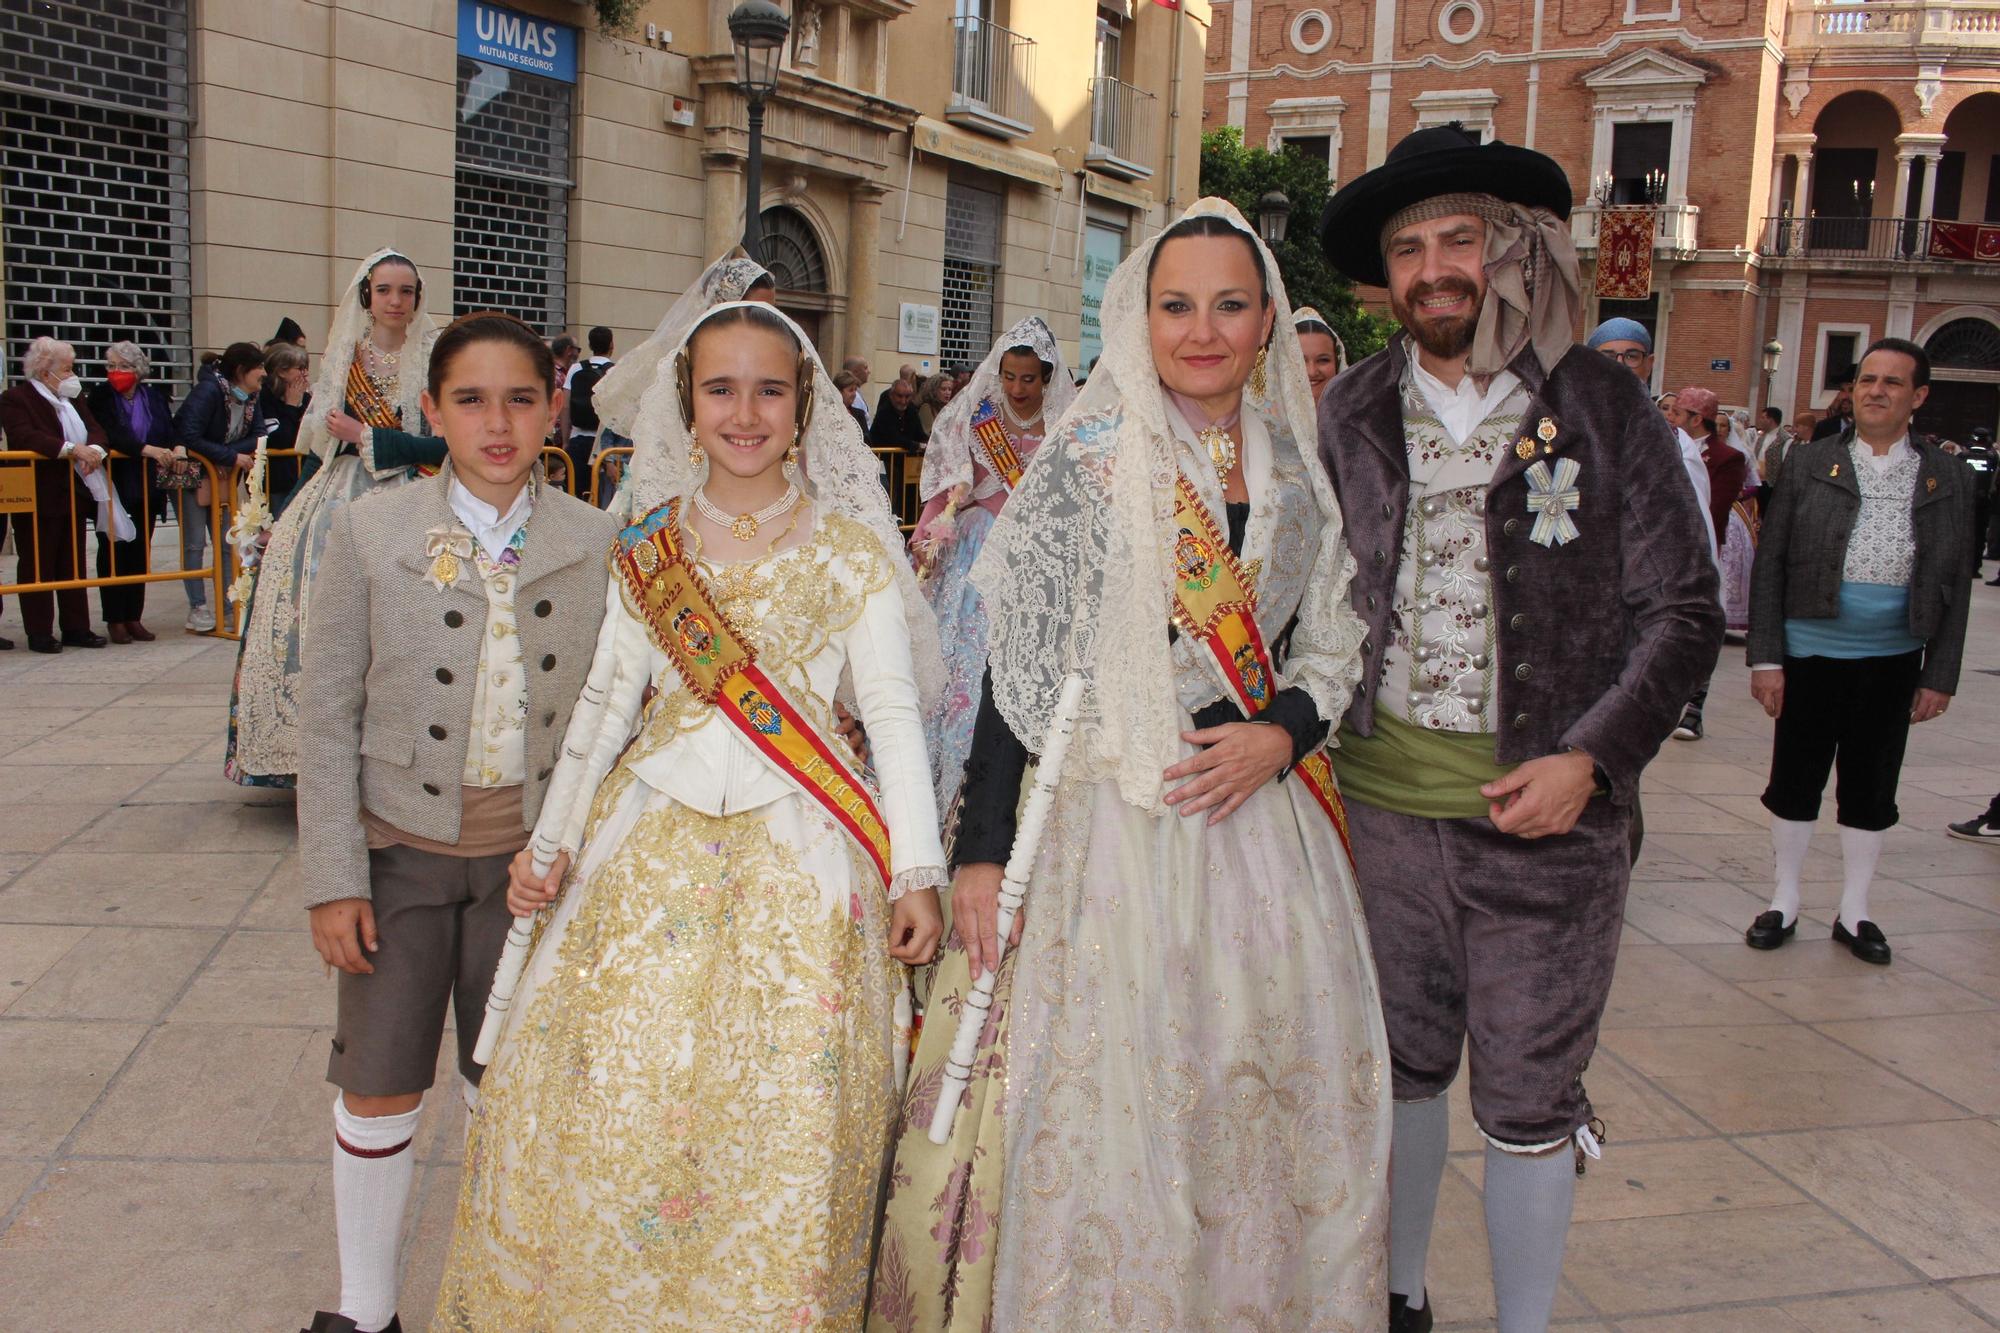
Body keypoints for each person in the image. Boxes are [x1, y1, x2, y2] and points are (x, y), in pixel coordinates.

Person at [874, 200, 1388, 1329]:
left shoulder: (1297, 472)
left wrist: (1283, 730)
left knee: (1251, 1096)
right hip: (1107, 828)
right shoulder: (1086, 465)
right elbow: (1019, 669)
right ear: (1135, 318)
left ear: (1263, 323)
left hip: (1258, 826)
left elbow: (1333, 639)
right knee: (1115, 1099)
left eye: (1227, 305)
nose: (1200, 330)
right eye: (1174, 306)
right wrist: (980, 854)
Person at [435, 301, 945, 1328]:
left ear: (802, 407)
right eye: (720, 388)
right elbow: (601, 704)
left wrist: (918, 868)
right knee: (610, 1108)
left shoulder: (853, 549)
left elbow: (890, 712)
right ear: (687, 403)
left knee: (785, 1125)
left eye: (768, 388)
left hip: (807, 865)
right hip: (646, 845)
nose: (743, 412)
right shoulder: (648, 547)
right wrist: (551, 843)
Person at [1316, 125, 1722, 1333]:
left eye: (1459, 239)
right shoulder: (1344, 411)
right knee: (1401, 1067)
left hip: (1548, 828)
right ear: (1383, 278)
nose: (1433, 267)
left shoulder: (1597, 402)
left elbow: (1683, 610)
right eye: (1406, 248)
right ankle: (1398, 1299)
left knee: (1531, 1096)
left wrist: (1589, 757)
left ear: (1508, 254)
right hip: (1378, 813)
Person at [294, 312, 616, 1333]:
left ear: (552, 408)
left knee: (505, 1089)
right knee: (379, 1084)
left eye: (521, 398)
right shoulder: (371, 530)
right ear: (430, 410)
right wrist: (332, 876)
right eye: (470, 400)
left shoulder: (595, 539)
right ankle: (365, 1309)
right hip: (397, 861)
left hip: (530, 870)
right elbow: (327, 709)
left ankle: (494, 1299)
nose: (496, 422)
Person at [1743, 338, 1976, 966]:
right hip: (1810, 654)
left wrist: (1941, 674)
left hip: (1893, 659)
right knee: (1795, 780)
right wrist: (1766, 658)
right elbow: (1771, 567)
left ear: (1918, 397)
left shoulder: (1949, 478)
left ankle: (1855, 909)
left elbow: (1957, 584)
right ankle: (1784, 899)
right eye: (1867, 378)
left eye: (1892, 382)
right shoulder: (1810, 462)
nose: (1875, 391)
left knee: (1872, 787)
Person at [227, 249, 447, 789]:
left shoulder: (436, 359)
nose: (396, 301)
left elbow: (443, 446)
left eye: (406, 291)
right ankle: (311, 753)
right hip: (337, 499)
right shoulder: (345, 356)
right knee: (316, 616)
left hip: (416, 495)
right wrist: (282, 516)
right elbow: (319, 451)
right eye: (385, 290)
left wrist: (366, 436)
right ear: (366, 297)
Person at [907, 315, 1075, 815]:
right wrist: (929, 534)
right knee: (966, 664)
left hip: (1036, 558)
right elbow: (946, 496)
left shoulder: (1065, 426)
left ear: (1045, 377)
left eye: (1028, 378)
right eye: (1009, 376)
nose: (1017, 388)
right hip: (977, 557)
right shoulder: (975, 419)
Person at [585, 250, 778, 521]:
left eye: (771, 312)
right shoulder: (679, 355)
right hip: (681, 481)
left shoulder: (768, 360)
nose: (767, 322)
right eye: (757, 311)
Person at [0, 336, 111, 653]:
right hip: (38, 492)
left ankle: (77, 627)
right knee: (38, 562)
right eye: (67, 368)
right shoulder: (16, 398)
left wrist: (95, 451)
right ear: (45, 371)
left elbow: (96, 430)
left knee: (72, 562)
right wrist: (70, 450)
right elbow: (25, 435)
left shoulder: (72, 400)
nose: (72, 374)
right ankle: (39, 631)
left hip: (76, 489)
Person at [1662, 387, 1748, 735]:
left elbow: (1713, 508)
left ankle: (1695, 708)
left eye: (1677, 412)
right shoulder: (1656, 440)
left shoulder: (1727, 457)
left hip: (1700, 548)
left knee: (1701, 622)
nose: (1670, 417)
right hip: (1661, 549)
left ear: (1697, 419)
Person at [172, 341, 267, 633]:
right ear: (240, 371)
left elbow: (260, 434)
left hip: (224, 478)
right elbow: (187, 434)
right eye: (258, 369)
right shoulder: (209, 391)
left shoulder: (252, 396)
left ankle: (229, 605)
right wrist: (229, 455)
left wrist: (232, 454)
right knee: (194, 543)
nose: (263, 374)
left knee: (227, 543)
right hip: (195, 478)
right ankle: (197, 607)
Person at [86, 341, 177, 643]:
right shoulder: (101, 396)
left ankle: (133, 616)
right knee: (113, 550)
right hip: (116, 483)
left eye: (122, 366)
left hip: (147, 486)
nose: (115, 372)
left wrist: (175, 447)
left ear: (137, 370)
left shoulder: (153, 397)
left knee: (140, 550)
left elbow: (168, 428)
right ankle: (115, 618)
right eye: (110, 366)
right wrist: (145, 449)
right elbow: (110, 432)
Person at [563, 325, 614, 489]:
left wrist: (565, 441)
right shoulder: (615, 371)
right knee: (598, 496)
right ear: (611, 345)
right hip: (603, 446)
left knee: (575, 491)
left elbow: (565, 406)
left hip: (577, 439)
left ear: (590, 345)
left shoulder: (575, 368)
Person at [1294, 304, 1348, 402]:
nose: (1312, 372)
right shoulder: (1263, 415)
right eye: (1300, 360)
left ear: (1337, 362)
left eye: (1323, 360)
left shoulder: (1356, 414)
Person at [868, 373, 928, 449]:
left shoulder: (912, 410)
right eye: (899, 396)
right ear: (891, 395)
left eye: (907, 397)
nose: (903, 401)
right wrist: (918, 445)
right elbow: (893, 439)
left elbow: (920, 434)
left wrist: (929, 442)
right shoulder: (883, 413)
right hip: (883, 458)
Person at [913, 370, 956, 435]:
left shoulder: (949, 408)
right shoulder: (926, 407)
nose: (947, 393)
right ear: (934, 390)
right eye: (943, 389)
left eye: (949, 389)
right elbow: (928, 433)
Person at [843, 354, 873, 429]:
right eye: (865, 368)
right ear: (855, 372)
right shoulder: (852, 397)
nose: (869, 372)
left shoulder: (858, 393)